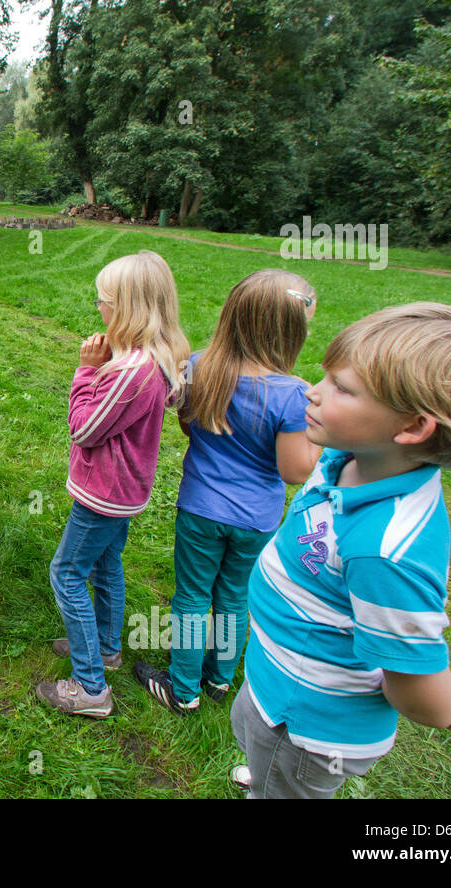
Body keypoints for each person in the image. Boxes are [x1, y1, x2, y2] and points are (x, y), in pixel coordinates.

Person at [231, 302, 451, 798]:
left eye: (341, 388)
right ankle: (266, 772)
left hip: (307, 725)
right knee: (257, 746)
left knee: (280, 782)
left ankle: (272, 779)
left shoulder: (383, 550)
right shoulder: (347, 459)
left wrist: (429, 685)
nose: (312, 390)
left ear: (411, 428)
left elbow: (421, 698)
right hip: (279, 677)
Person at [133, 271, 320, 715]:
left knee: (194, 596)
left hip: (201, 507)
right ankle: (216, 681)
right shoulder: (295, 396)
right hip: (257, 519)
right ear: (290, 334)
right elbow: (295, 470)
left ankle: (183, 689)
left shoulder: (197, 367)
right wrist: (317, 437)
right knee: (234, 595)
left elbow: (186, 423)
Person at [36, 251, 190, 719]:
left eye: (103, 302)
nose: (98, 310)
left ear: (126, 310)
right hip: (124, 492)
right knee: (106, 565)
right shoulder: (156, 359)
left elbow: (84, 429)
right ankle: (105, 647)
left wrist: (85, 370)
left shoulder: (130, 372)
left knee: (66, 574)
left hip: (103, 494)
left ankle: (90, 687)